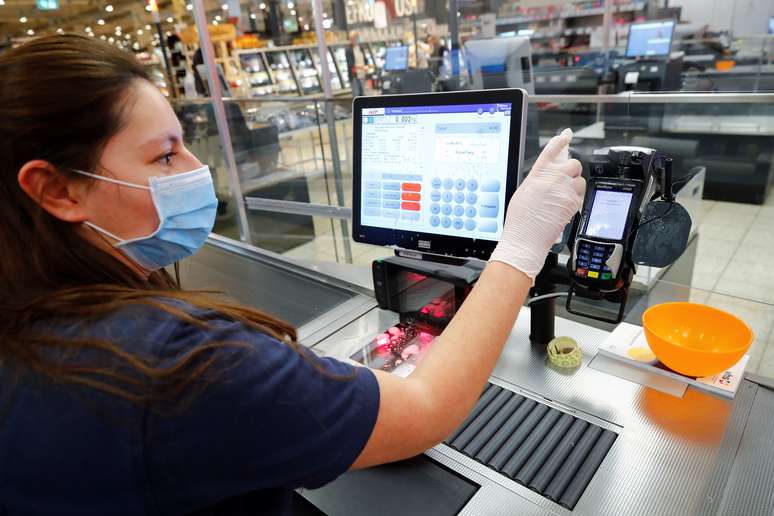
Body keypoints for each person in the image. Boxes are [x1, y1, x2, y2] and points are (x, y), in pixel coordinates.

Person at [0, 35, 584, 515]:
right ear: (56, 190)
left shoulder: (29, 320)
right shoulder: (174, 364)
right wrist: (521, 246)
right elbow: (427, 406)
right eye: (164, 155)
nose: (199, 169)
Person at [345, 31, 367, 97]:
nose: (353, 40)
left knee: (363, 94)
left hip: (362, 74)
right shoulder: (348, 50)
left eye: (355, 38)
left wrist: (366, 66)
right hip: (354, 76)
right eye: (351, 38)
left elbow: (365, 60)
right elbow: (350, 64)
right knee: (356, 94)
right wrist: (361, 67)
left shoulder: (361, 48)